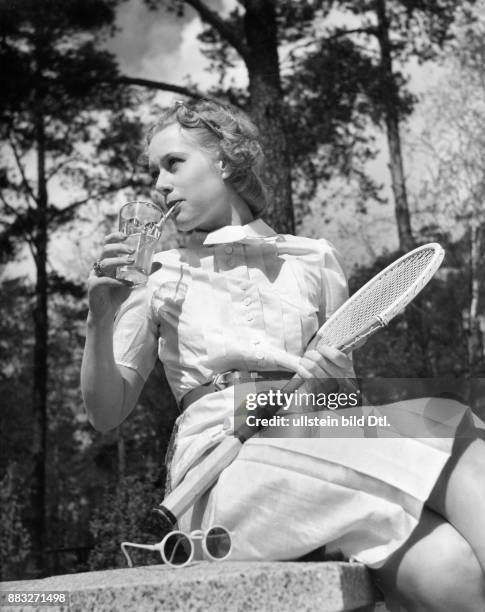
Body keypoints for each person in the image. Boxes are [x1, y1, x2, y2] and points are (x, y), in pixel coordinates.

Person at [81, 99, 485, 611]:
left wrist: (330, 387)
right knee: (448, 425)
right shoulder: (157, 274)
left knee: (451, 566)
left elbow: (345, 406)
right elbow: (105, 411)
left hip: (319, 441)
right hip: (221, 471)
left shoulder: (314, 259)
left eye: (173, 163)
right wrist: (99, 315)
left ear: (225, 162)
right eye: (154, 170)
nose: (158, 183)